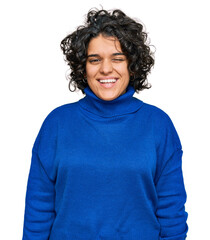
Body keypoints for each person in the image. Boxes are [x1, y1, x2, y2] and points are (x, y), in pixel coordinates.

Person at [22, 8, 188, 240]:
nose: (106, 69)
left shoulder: (158, 125)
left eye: (117, 58)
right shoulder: (57, 124)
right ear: (83, 67)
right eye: (95, 60)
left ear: (132, 64)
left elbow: (171, 212)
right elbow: (38, 210)